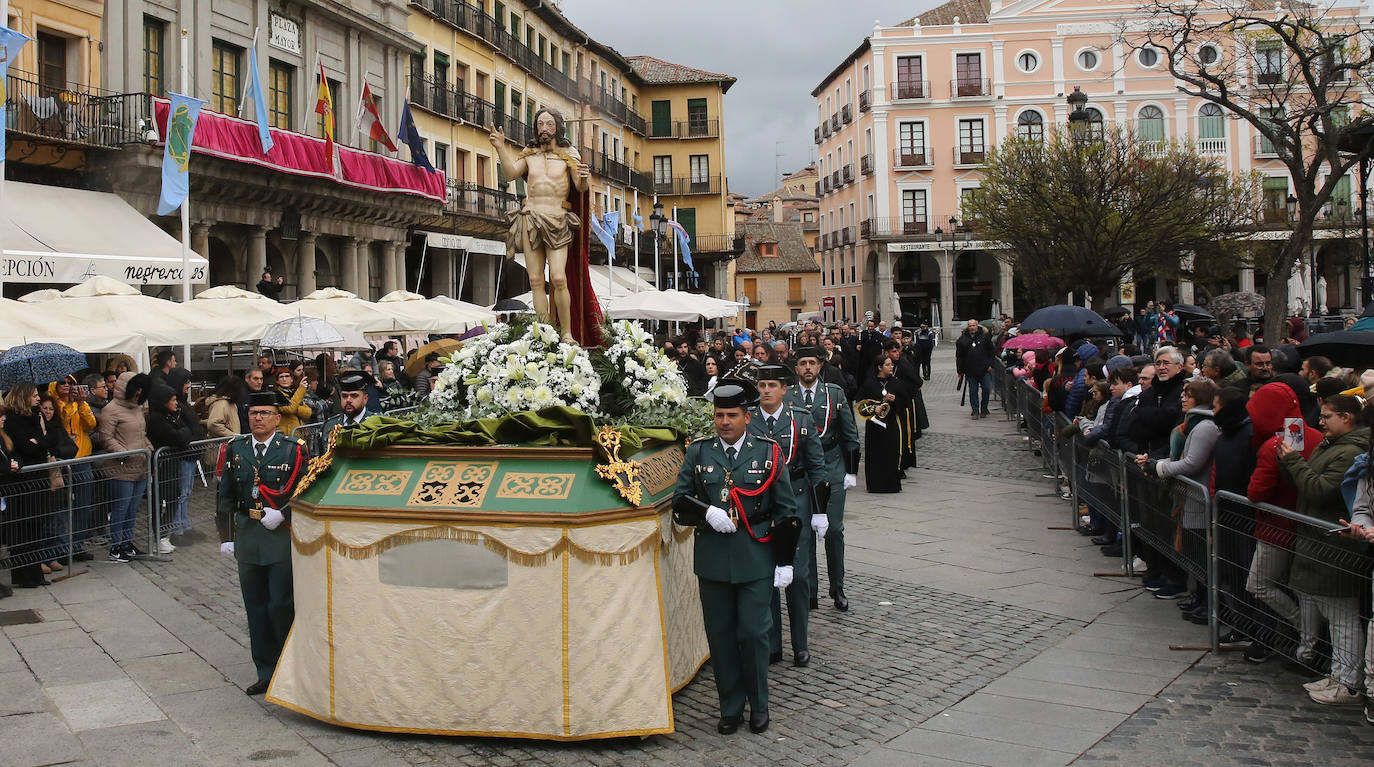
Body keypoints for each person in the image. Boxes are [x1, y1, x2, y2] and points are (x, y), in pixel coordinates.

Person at [673, 378, 799, 735]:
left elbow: (787, 510)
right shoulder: (699, 451)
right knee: (722, 636)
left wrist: (785, 561)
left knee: (754, 633)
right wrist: (706, 512)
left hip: (755, 555)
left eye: (731, 415)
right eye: (719, 415)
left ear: (747, 416)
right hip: (713, 558)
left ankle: (759, 705)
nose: (724, 422)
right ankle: (730, 708)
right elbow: (681, 501)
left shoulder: (767, 451)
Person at [1276, 393, 1369, 705]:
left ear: (1346, 418)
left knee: (1342, 617)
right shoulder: (1332, 446)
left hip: (1336, 545)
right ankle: (1339, 674)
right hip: (1319, 542)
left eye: (1327, 416)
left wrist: (1293, 459)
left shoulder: (1350, 452)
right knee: (1334, 616)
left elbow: (1319, 490)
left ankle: (1348, 681)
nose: (1320, 422)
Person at [217, 390, 310, 696]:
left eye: (264, 413)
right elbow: (226, 496)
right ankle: (266, 672)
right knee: (255, 607)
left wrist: (283, 514)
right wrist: (227, 537)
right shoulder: (236, 448)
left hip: (278, 536)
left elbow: (304, 489)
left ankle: (289, 670)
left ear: (277, 418)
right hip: (248, 534)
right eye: (254, 413)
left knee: (281, 604)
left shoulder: (292, 449)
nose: (258, 418)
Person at [490, 106, 598, 344]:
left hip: (558, 218)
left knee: (559, 278)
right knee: (536, 280)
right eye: (540, 124)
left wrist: (583, 177)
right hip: (530, 218)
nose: (544, 129)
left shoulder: (570, 155)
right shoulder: (529, 155)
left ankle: (567, 333)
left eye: (549, 124)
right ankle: (544, 333)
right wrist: (500, 147)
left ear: (558, 127)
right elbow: (510, 174)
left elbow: (580, 188)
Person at [749, 366, 826, 668]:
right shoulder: (749, 419)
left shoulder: (800, 420)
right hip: (762, 505)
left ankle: (801, 644)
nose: (766, 390)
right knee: (767, 575)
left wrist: (819, 511)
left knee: (798, 575)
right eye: (762, 385)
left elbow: (816, 468)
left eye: (772, 385)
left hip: (795, 501)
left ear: (784, 390)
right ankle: (772, 644)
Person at [99, 373, 152, 562]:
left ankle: (127, 543)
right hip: (121, 467)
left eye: (141, 389)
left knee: (133, 508)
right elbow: (106, 437)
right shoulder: (111, 410)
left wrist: (147, 446)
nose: (139, 392)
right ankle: (115, 546)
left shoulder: (136, 408)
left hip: (139, 465)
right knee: (121, 508)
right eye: (135, 388)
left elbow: (140, 432)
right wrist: (123, 452)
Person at [146, 382, 199, 552]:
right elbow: (178, 436)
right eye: (173, 400)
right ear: (163, 401)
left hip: (172, 464)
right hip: (161, 465)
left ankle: (165, 533)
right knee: (160, 500)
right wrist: (183, 434)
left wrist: (183, 434)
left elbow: (186, 431)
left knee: (173, 498)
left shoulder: (171, 416)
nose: (176, 403)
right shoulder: (156, 419)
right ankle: (159, 536)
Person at [51, 375, 97, 561]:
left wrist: (82, 404)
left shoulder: (79, 404)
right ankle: (61, 548)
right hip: (62, 460)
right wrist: (70, 404)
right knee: (61, 506)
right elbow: (61, 423)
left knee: (83, 505)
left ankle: (77, 545)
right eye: (63, 383)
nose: (68, 386)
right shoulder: (52, 404)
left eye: (71, 383)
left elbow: (91, 424)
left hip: (82, 458)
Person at [856, 355, 910, 494]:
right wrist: (875, 407)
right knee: (875, 454)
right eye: (887, 365)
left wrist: (895, 400)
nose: (891, 367)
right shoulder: (870, 383)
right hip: (874, 425)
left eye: (891, 365)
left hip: (892, 424)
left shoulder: (897, 383)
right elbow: (861, 403)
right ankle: (875, 484)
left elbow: (906, 403)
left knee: (891, 452)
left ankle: (892, 484)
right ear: (879, 367)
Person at [954, 319, 996, 418]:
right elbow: (959, 356)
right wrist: (960, 370)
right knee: (973, 391)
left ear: (977, 326)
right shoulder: (962, 339)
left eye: (973, 325)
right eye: (970, 326)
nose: (972, 327)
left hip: (984, 369)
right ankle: (975, 410)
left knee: (986, 388)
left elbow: (991, 351)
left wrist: (991, 365)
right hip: (970, 370)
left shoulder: (984, 337)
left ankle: (984, 407)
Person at [271, 368, 312, 435]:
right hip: (285, 436)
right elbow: (289, 409)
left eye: (287, 376)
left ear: (292, 379)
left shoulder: (294, 393)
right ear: (277, 381)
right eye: (281, 377)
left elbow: (308, 413)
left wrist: (294, 406)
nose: (284, 379)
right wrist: (301, 389)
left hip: (298, 434)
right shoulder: (276, 394)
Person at [239, 368, 265, 434]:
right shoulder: (240, 395)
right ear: (247, 379)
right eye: (256, 379)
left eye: (261, 379)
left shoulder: (262, 394)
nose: (259, 382)